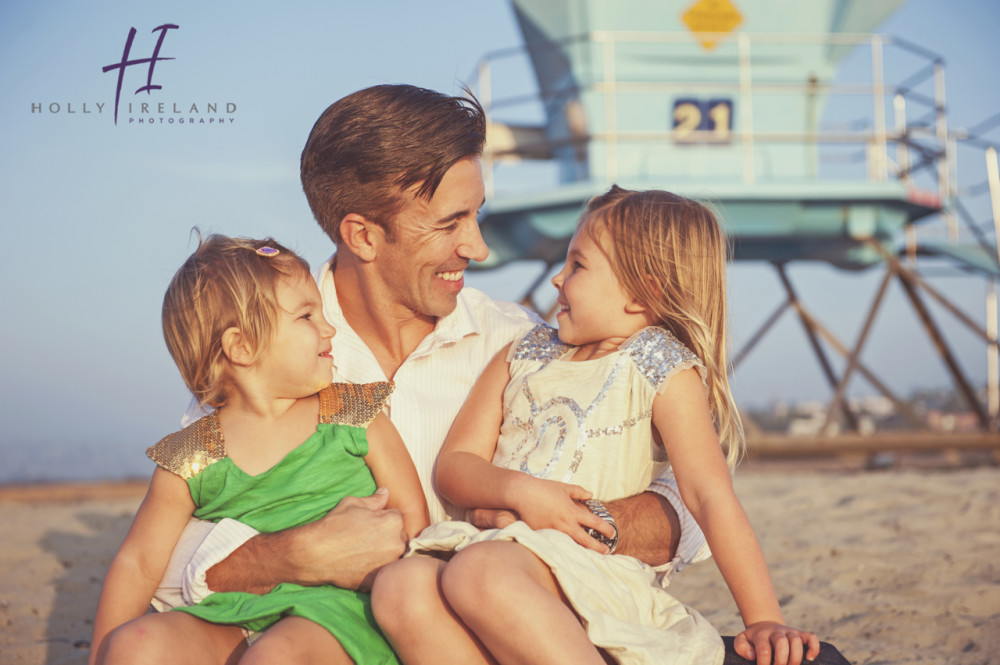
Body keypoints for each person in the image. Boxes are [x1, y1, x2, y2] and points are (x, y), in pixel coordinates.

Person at [159, 85, 704, 612]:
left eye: (477, 214)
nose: (480, 247)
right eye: (450, 223)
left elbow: (692, 504)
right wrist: (294, 555)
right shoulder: (261, 352)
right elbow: (159, 558)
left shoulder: (519, 344)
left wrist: (566, 524)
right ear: (363, 236)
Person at [372, 186, 821, 665]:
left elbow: (710, 497)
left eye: (578, 266)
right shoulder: (523, 354)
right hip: (497, 548)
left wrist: (763, 619)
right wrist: (523, 493)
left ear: (641, 293)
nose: (557, 279)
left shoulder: (658, 368)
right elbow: (456, 466)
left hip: (586, 570)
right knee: (401, 586)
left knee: (480, 572)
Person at [90, 235, 429, 665]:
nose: (329, 328)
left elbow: (414, 521)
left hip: (333, 614)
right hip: (230, 612)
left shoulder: (352, 415)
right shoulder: (194, 455)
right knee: (135, 646)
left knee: (274, 657)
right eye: (306, 315)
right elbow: (137, 564)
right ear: (242, 347)